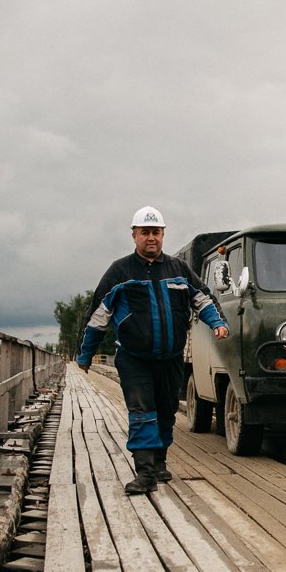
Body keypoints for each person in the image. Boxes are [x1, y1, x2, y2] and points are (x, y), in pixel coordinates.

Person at [77, 205, 230, 494]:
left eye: (156, 232)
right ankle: (145, 473)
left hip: (170, 358)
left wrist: (217, 324)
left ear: (163, 235)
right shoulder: (120, 271)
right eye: (145, 232)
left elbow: (203, 300)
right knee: (142, 411)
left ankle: (159, 463)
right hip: (134, 359)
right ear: (134, 235)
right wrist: (85, 354)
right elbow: (98, 315)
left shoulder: (178, 269)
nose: (151, 238)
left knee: (166, 412)